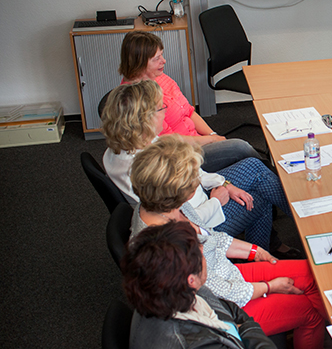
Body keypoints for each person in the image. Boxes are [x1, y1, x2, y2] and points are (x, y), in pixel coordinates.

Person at [129, 135, 327, 347]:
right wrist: (268, 287)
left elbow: (211, 238)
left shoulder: (168, 206)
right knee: (308, 310)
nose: (197, 183)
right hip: (224, 306)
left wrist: (254, 251)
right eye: (193, 180)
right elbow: (213, 290)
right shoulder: (165, 246)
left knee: (313, 275)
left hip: (227, 273)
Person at [101, 80, 294, 251]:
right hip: (201, 221)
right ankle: (296, 223)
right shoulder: (141, 166)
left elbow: (192, 172)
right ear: (145, 118)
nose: (166, 111)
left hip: (200, 199)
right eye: (161, 109)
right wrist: (216, 201)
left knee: (254, 167)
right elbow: (181, 221)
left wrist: (225, 183)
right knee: (258, 199)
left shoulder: (136, 141)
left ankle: (297, 218)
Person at [119, 30, 259, 172]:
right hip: (181, 155)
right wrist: (211, 141)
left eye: (162, 54)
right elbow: (169, 141)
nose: (164, 61)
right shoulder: (137, 99)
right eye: (157, 58)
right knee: (241, 148)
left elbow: (189, 111)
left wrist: (212, 135)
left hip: (198, 140)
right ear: (139, 63)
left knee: (244, 156)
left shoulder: (159, 76)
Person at [122, 221, 276, 349]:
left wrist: (243, 327)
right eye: (200, 254)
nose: (203, 249)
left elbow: (229, 308)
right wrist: (244, 328)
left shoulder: (170, 289)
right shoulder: (197, 344)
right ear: (191, 280)